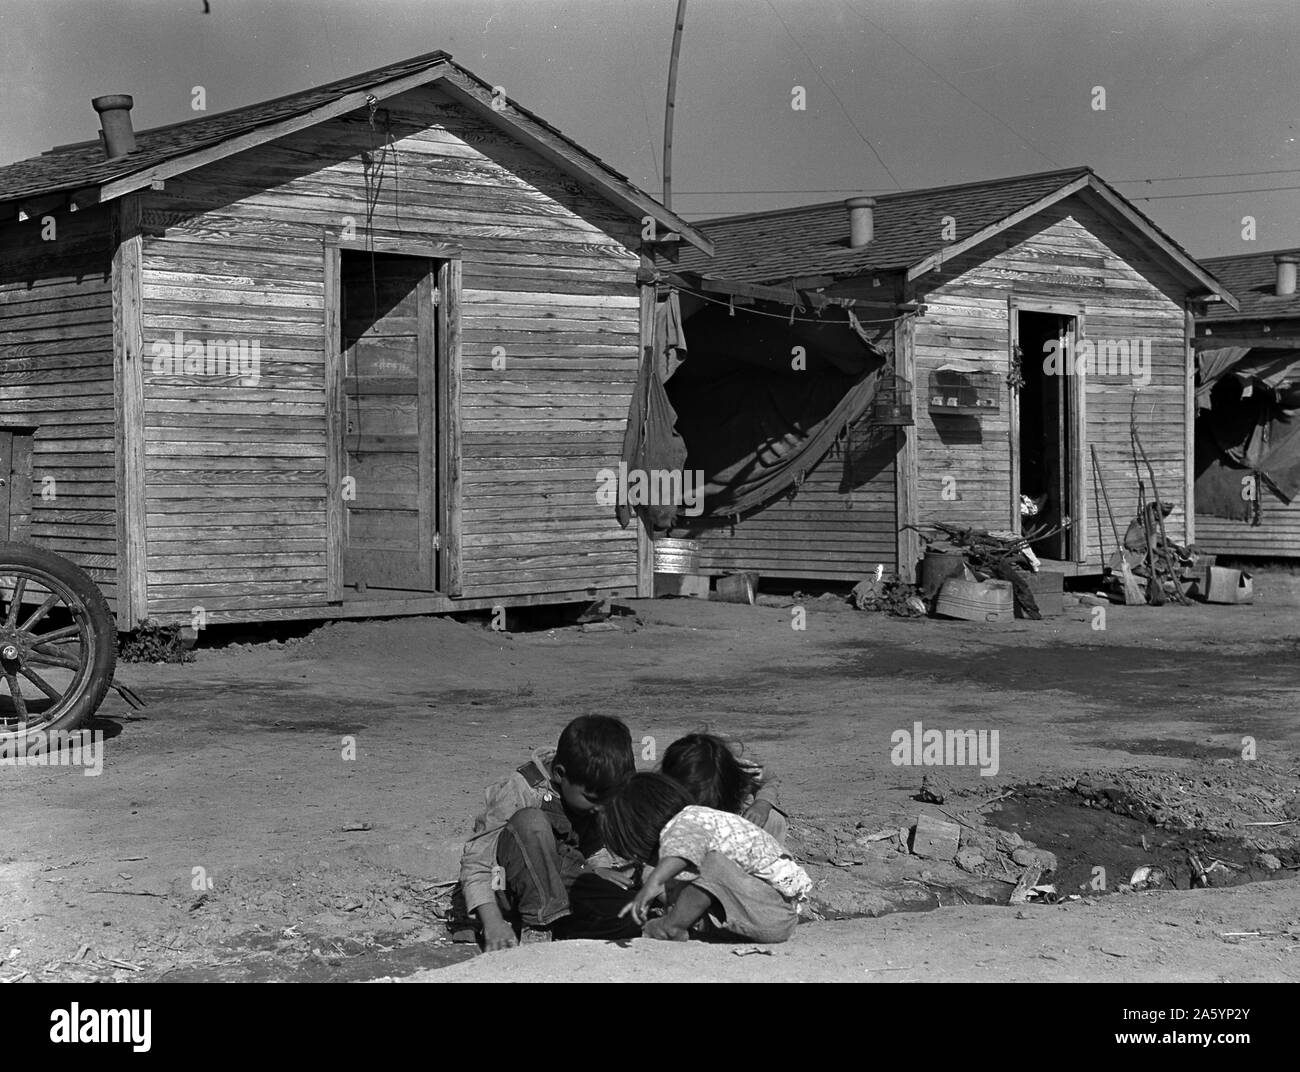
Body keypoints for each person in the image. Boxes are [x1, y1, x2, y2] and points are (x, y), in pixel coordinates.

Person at [459, 714, 639, 951]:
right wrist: (493, 922)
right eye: (593, 800)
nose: (600, 808)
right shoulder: (523, 790)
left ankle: (563, 925)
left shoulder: (591, 793)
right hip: (510, 892)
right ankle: (538, 926)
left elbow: (592, 843)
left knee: (628, 909)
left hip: (563, 886)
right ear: (560, 774)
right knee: (531, 821)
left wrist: (600, 868)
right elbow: (478, 861)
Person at [601, 772, 811, 944]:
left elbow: (681, 856)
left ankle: (671, 927)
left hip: (771, 914)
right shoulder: (696, 818)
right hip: (756, 905)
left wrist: (652, 885)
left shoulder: (686, 822)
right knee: (686, 872)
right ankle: (691, 921)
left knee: (708, 865)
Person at [660, 732, 788, 846]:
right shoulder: (669, 786)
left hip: (736, 818)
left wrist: (762, 804)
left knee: (774, 820)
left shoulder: (742, 770)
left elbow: (770, 779)